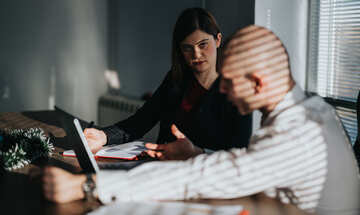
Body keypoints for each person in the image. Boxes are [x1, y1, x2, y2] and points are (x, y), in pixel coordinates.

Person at [43, 25, 360, 214]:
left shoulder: (297, 135)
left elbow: (195, 178)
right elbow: (254, 163)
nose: (221, 88)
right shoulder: (312, 108)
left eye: (230, 81)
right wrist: (195, 154)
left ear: (259, 82)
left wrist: (88, 184)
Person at [84, 7, 252, 160]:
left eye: (203, 45)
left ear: (217, 40)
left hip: (204, 179)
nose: (196, 54)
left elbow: (238, 155)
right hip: (163, 167)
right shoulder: (175, 79)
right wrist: (104, 136)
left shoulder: (237, 91)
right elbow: (140, 122)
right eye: (187, 47)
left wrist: (198, 153)